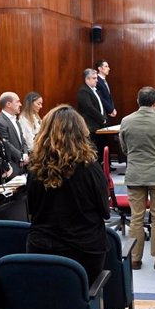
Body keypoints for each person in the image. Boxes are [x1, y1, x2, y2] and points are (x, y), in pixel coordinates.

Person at [27, 104, 110, 285]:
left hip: (42, 249)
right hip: (85, 250)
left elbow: (32, 209)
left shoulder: (35, 168)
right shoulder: (90, 168)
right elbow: (105, 211)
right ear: (82, 132)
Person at [119, 87, 155, 270]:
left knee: (136, 218)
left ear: (138, 101)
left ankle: (135, 259)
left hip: (135, 174)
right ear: (154, 103)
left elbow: (124, 149)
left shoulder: (126, 121)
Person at [0, 92, 29, 176]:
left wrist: (25, 154)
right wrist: (21, 157)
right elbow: (6, 144)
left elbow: (22, 139)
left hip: (23, 165)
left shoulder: (16, 120)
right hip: (13, 166)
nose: (20, 104)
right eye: (17, 101)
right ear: (8, 104)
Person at [77, 68, 107, 160]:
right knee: (93, 149)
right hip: (90, 125)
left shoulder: (95, 90)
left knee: (101, 148)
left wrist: (104, 118)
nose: (97, 80)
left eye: (96, 78)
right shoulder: (83, 91)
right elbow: (89, 108)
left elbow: (101, 105)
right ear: (87, 79)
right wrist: (102, 118)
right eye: (94, 78)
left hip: (99, 124)